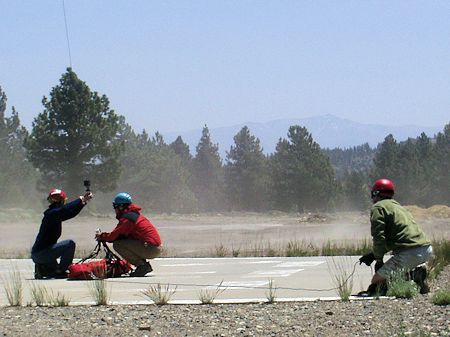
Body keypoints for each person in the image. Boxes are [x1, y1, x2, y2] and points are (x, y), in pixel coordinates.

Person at [358, 178, 433, 296]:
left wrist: (378, 259)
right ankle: (415, 273)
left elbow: (379, 237)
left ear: (376, 193)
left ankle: (413, 275)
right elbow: (399, 236)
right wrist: (373, 254)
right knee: (394, 273)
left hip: (410, 252)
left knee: (376, 281)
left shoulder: (378, 207)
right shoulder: (398, 207)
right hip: (426, 249)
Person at [96, 192, 162, 277]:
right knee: (122, 241)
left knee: (118, 245)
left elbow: (113, 236)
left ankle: (142, 266)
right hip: (153, 247)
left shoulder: (128, 219)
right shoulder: (133, 215)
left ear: (121, 207)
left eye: (115, 207)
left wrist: (102, 236)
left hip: (151, 249)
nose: (115, 210)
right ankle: (142, 265)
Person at [32, 188, 93, 279]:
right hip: (42, 254)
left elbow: (70, 213)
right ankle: (61, 270)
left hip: (39, 255)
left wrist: (82, 203)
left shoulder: (53, 215)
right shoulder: (53, 214)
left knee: (51, 272)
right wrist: (80, 200)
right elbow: (65, 209)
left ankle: (43, 269)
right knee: (69, 244)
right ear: (60, 201)